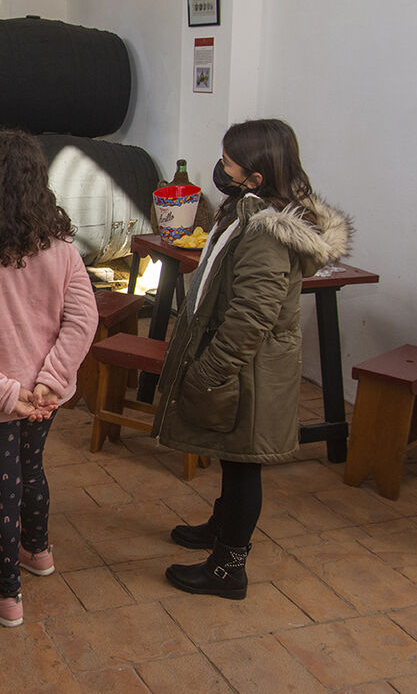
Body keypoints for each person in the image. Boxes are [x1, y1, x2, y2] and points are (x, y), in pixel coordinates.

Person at [152, 119, 350, 600]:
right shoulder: (251, 210)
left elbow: (253, 314)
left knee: (244, 465)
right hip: (246, 368)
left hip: (249, 372)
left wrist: (209, 370)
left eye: (227, 162)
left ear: (255, 177)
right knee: (233, 455)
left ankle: (228, 567)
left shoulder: (265, 232)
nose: (220, 168)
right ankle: (220, 529)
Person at [0, 130, 99, 628]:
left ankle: (6, 595)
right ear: (38, 185)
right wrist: (49, 383)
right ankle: (38, 550)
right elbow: (83, 319)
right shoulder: (61, 247)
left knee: (1, 488)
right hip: (44, 397)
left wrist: (9, 395)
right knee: (30, 469)